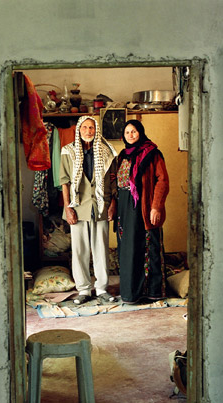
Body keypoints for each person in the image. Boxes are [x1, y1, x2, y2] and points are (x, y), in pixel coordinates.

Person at [60, 116, 118, 305]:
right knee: (79, 250)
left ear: (96, 130)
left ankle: (102, 288)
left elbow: (113, 181)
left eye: (91, 128)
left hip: (100, 205)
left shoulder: (107, 151)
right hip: (77, 207)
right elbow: (65, 182)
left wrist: (112, 204)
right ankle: (84, 290)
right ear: (79, 130)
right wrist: (68, 208)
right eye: (84, 127)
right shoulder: (68, 151)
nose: (88, 131)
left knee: (101, 248)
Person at [116, 119, 169, 304]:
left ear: (141, 132)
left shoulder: (152, 153)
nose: (131, 135)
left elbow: (162, 181)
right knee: (128, 251)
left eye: (134, 131)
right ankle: (130, 294)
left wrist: (156, 206)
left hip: (144, 208)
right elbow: (117, 186)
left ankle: (152, 292)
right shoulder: (122, 155)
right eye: (127, 132)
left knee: (147, 247)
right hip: (125, 208)